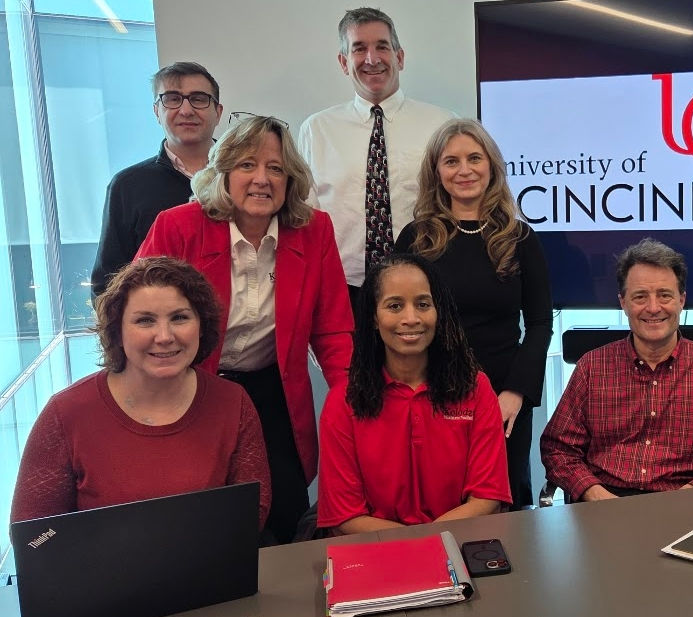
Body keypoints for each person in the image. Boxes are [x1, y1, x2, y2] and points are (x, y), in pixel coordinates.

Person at [137, 115, 353, 544]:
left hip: (273, 389)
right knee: (205, 512)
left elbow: (332, 332)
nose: (262, 179)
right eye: (247, 165)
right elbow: (135, 313)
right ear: (224, 174)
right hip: (194, 388)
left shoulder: (314, 231)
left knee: (286, 509)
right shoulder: (177, 226)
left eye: (275, 168)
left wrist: (348, 400)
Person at [12, 257, 270, 528]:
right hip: (100, 570)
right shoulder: (66, 414)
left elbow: (252, 514)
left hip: (209, 567)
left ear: (201, 325)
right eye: (145, 320)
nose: (164, 336)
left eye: (179, 317)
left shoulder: (232, 402)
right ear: (117, 331)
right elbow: (33, 535)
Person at [394, 119, 551, 508]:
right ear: (437, 172)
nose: (464, 170)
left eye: (474, 158)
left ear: (491, 166)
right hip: (431, 392)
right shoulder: (415, 238)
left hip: (503, 396)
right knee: (437, 501)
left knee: (506, 502)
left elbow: (539, 322)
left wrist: (516, 393)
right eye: (451, 161)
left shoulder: (519, 238)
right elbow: (394, 320)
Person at [541, 238, 693, 502]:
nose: (653, 308)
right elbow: (558, 448)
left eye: (664, 295)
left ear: (682, 300)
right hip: (605, 504)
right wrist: (594, 494)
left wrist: (692, 493)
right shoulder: (592, 368)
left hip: (690, 505)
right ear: (623, 302)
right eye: (640, 297)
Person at [317, 254, 510, 532]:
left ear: (438, 312)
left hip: (460, 544)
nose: (411, 318)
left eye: (423, 304)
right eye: (394, 306)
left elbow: (487, 498)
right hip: (377, 553)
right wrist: (418, 548)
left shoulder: (475, 388)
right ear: (373, 317)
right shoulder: (342, 401)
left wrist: (429, 545)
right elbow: (345, 517)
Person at [298, 7, 455, 309]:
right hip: (342, 291)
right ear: (344, 62)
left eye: (382, 46)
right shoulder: (316, 130)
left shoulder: (442, 125)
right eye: (359, 49)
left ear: (400, 56)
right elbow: (306, 215)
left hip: (425, 287)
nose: (372, 59)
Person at [91, 62, 223, 296]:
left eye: (199, 99)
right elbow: (108, 284)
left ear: (218, 112)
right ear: (156, 111)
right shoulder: (127, 186)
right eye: (172, 99)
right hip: (163, 329)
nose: (186, 110)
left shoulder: (244, 180)